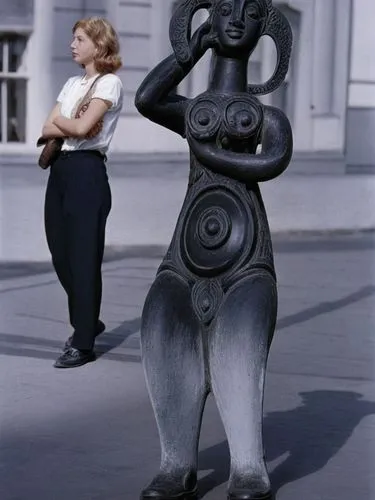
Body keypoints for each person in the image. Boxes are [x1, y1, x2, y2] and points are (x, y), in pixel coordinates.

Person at [40, 17, 123, 368]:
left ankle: (83, 342)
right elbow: (48, 128)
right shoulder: (73, 83)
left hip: (87, 172)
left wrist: (64, 124)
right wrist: (65, 125)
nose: (72, 45)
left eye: (79, 39)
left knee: (83, 257)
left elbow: (84, 129)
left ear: (98, 44)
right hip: (59, 172)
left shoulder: (110, 84)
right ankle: (89, 318)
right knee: (60, 253)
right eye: (73, 39)